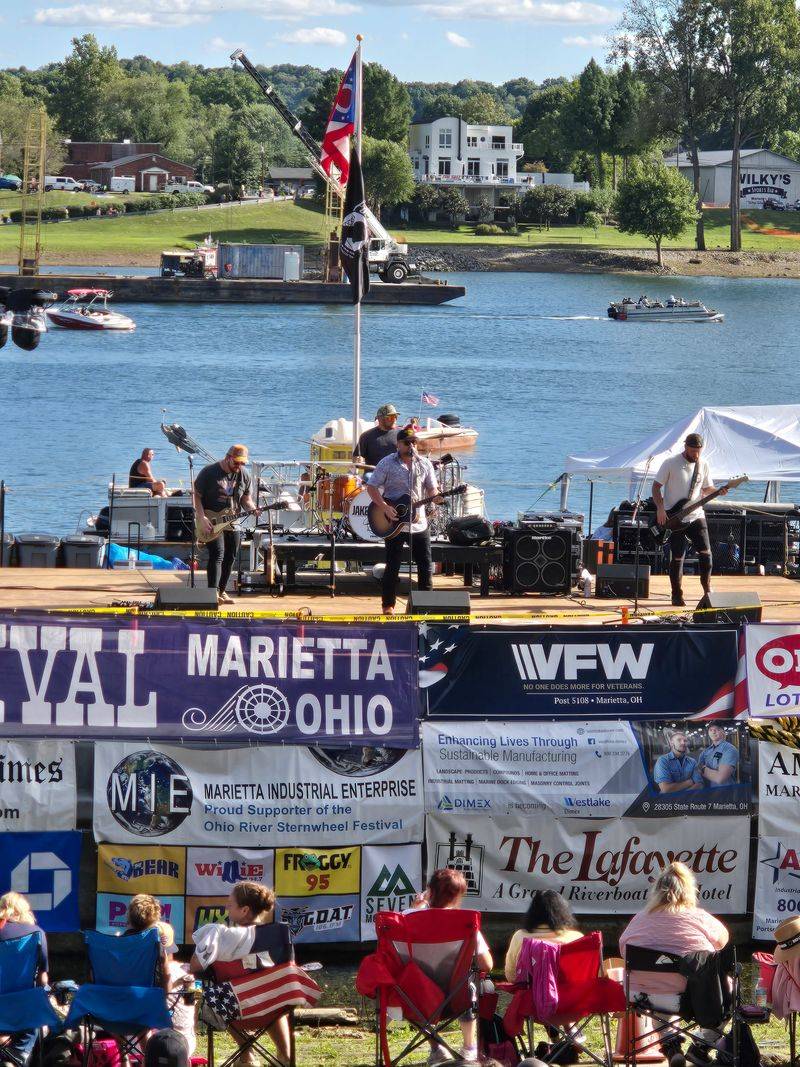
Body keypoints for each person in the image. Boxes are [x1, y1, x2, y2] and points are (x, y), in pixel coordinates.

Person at [618, 862, 729, 1064]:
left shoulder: (640, 918)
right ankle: (701, 1046)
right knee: (730, 991)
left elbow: (623, 949)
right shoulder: (699, 917)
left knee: (660, 993)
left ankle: (671, 1047)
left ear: (656, 891)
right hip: (691, 995)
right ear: (690, 891)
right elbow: (722, 941)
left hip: (641, 995)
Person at [190, 882, 290, 1067]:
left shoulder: (222, 936)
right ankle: (285, 1056)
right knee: (272, 994)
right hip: (272, 1008)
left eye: (230, 904)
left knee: (219, 995)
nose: (226, 907)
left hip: (236, 1010)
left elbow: (195, 966)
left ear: (244, 910)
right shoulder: (278, 934)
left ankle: (247, 1056)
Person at [404, 868, 492, 1065]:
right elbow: (487, 964)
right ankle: (469, 1048)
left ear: (430, 891)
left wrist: (416, 908)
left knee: (410, 982)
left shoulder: (406, 918)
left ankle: (436, 1048)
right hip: (456, 998)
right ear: (458, 896)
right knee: (465, 979)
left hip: (416, 998)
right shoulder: (465, 923)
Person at [366, 425, 442, 615]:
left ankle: (425, 606)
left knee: (425, 565)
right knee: (393, 565)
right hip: (394, 522)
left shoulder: (424, 464)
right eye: (407, 443)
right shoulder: (387, 463)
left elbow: (432, 489)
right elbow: (372, 487)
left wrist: (436, 496)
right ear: (398, 445)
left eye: (414, 442)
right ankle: (388, 605)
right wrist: (385, 507)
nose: (411, 446)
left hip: (418, 522)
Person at [652, 432, 726, 607]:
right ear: (685, 447)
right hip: (674, 517)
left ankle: (707, 590)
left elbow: (707, 488)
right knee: (678, 557)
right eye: (693, 451)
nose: (696, 454)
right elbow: (656, 487)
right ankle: (676, 594)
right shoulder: (670, 463)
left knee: (706, 552)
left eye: (699, 451)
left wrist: (719, 491)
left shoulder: (703, 464)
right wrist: (660, 508)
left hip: (696, 515)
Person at [123, 895, 196, 1057]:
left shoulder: (123, 957)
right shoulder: (182, 971)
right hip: (179, 1046)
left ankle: (124, 1059)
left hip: (128, 1034)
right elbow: (168, 991)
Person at [193, 444, 258, 604]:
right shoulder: (209, 472)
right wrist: (201, 517)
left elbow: (246, 499)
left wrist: (252, 508)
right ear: (228, 457)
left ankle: (222, 591)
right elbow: (196, 496)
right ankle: (212, 592)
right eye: (236, 462)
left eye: (242, 463)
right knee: (218, 553)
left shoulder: (244, 474)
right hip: (211, 519)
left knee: (231, 556)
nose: (239, 466)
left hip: (233, 520)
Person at [0, 892, 48, 1067]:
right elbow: (43, 979)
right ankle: (15, 1057)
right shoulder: (37, 934)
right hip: (24, 1009)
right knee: (35, 1019)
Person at [504, 890, 583, 982]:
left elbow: (511, 975)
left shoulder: (520, 936)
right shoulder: (576, 938)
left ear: (532, 911)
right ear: (563, 912)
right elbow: (584, 974)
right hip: (568, 991)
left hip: (528, 990)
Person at [652, 730, 700, 794]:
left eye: (685, 741)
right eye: (679, 740)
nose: (683, 743)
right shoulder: (663, 761)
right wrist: (690, 782)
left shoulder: (692, 761)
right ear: (671, 743)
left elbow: (699, 784)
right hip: (667, 799)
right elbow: (665, 789)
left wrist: (684, 796)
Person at [694, 723, 739, 789]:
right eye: (711, 730)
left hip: (725, 792)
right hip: (707, 791)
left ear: (723, 732)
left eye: (717, 729)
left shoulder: (729, 749)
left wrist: (703, 768)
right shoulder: (706, 751)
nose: (713, 732)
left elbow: (720, 778)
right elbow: (697, 770)